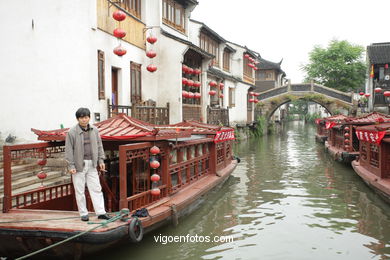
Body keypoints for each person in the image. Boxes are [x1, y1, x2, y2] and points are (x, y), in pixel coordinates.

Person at [65, 107, 110, 221]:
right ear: (77, 119)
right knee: (80, 190)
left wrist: (101, 160)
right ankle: (83, 213)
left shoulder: (94, 130)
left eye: (86, 117)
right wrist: (71, 165)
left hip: (92, 164)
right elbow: (69, 150)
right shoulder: (72, 132)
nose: (84, 120)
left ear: (89, 118)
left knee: (96, 188)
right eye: (81, 118)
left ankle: (101, 212)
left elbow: (100, 146)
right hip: (79, 165)